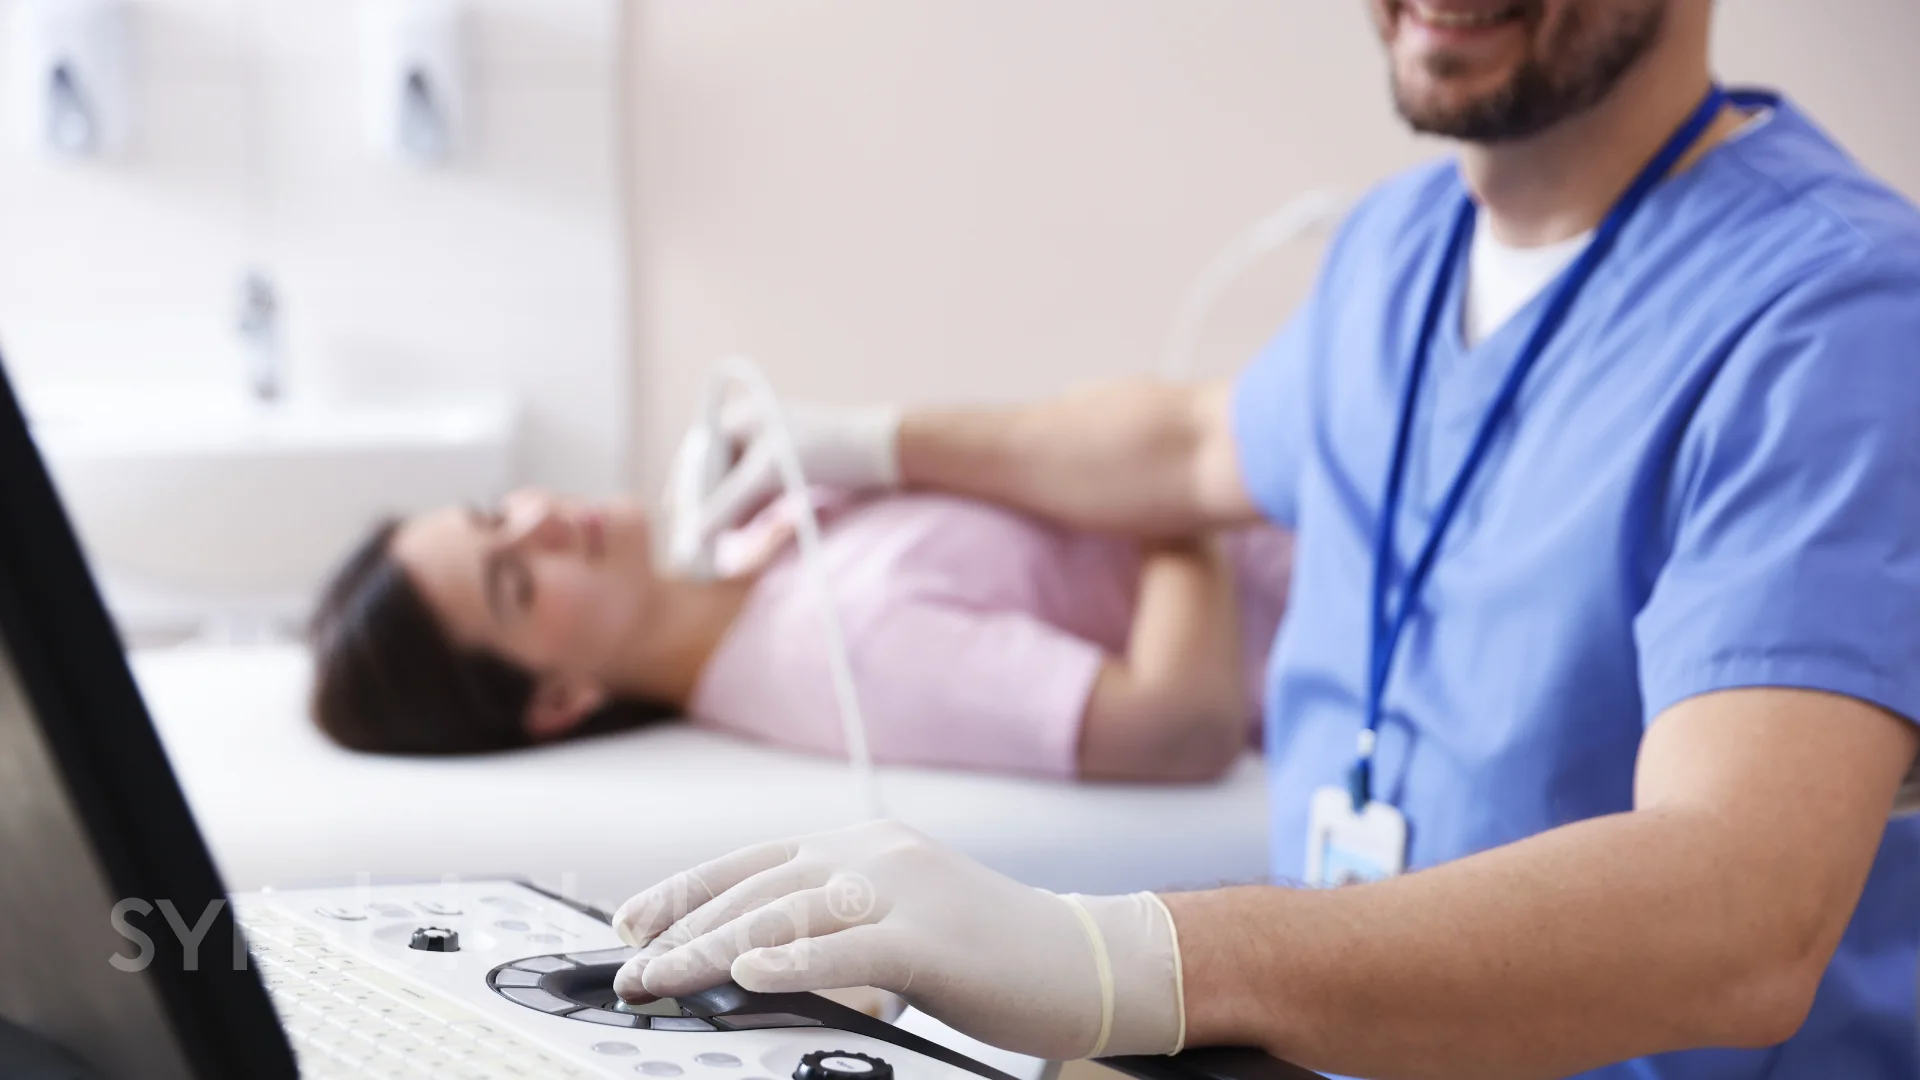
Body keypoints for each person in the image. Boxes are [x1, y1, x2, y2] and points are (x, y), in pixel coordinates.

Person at [603, 2, 1920, 1077]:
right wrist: (868, 439)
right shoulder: (1401, 251)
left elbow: (1743, 922)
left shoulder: (1835, 316)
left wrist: (1124, 961)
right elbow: (1186, 448)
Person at [308, 485, 1291, 782]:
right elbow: (1179, 723)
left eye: (496, 512)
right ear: (560, 697)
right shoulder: (837, 650)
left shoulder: (756, 539)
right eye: (516, 580)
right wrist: (1180, 491)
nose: (541, 522)